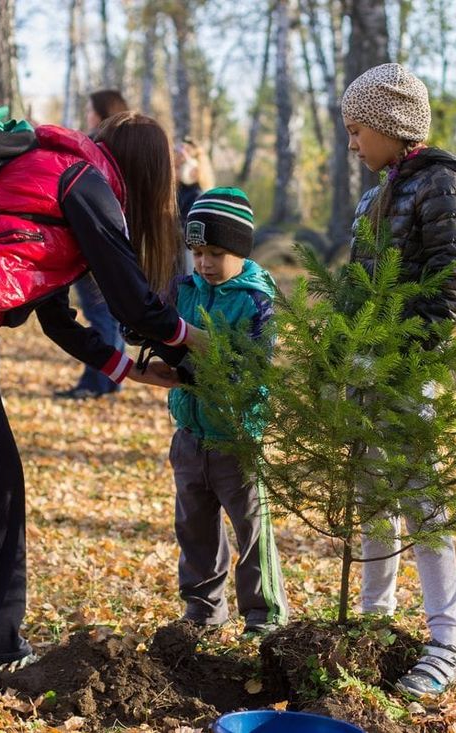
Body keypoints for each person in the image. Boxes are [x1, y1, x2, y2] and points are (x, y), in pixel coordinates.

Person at [0, 111, 205, 691]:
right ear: (149, 170)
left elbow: (57, 318)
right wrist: (190, 341)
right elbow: (131, 301)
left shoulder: (56, 176)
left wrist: (127, 370)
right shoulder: (86, 181)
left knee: (0, 485)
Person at [341, 63, 456, 698]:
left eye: (357, 129)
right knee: (374, 496)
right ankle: (375, 623)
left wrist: (401, 357)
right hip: (364, 365)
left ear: (391, 125)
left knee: (420, 502)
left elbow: (449, 287)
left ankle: (445, 642)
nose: (352, 142)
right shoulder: (379, 194)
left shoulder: (439, 187)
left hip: (406, 370)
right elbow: (355, 285)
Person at [166, 187, 289, 636]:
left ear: (239, 249)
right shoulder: (184, 289)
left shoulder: (255, 302)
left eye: (216, 252)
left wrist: (193, 352)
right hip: (190, 433)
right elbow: (161, 332)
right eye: (197, 252)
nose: (204, 263)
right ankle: (203, 609)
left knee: (251, 529)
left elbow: (251, 364)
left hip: (236, 437)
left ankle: (263, 614)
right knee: (194, 527)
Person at [56, 89, 132, 399]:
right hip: (116, 240)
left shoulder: (92, 147)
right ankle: (111, 378)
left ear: (101, 112)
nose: (88, 115)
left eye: (90, 109)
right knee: (108, 313)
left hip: (91, 239)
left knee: (98, 313)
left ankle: (96, 381)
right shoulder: (125, 147)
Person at [174, 139, 215, 276]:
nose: (174, 171)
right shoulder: (180, 191)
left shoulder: (197, 194)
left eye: (179, 167)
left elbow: (187, 229)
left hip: (187, 254)